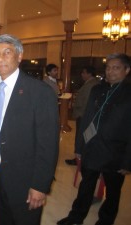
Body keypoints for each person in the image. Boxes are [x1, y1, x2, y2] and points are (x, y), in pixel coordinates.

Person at [0, 34, 59, 225]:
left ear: (19, 56)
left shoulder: (40, 92)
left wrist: (40, 186)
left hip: (26, 178)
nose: (0, 58)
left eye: (6, 53)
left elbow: (48, 144)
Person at [57, 53, 131, 225]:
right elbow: (87, 119)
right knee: (85, 187)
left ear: (127, 70)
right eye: (108, 67)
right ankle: (75, 217)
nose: (111, 71)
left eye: (116, 68)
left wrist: (128, 161)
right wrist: (79, 147)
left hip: (116, 154)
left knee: (113, 193)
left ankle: (105, 221)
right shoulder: (97, 89)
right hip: (92, 148)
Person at [65, 66, 100, 166]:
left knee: (81, 137)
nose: (82, 74)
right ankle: (80, 157)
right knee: (81, 137)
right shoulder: (90, 83)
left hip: (84, 115)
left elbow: (87, 103)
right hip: (84, 114)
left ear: (89, 74)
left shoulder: (92, 85)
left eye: (84, 73)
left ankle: (79, 159)